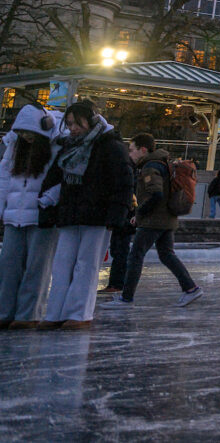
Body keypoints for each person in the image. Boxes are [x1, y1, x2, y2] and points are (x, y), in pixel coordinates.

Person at [42, 101, 134, 328]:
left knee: (86, 265)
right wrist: (48, 207)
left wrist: (116, 216)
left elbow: (123, 183)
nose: (72, 128)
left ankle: (79, 314)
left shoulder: (110, 146)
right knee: (62, 264)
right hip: (70, 214)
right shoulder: (69, 146)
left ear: (90, 120)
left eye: (76, 123)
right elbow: (55, 178)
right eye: (69, 123)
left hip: (97, 216)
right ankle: (55, 313)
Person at [109, 134, 202, 309]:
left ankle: (126, 298)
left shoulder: (150, 167)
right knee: (166, 254)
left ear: (143, 149)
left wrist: (140, 212)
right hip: (166, 219)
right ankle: (190, 288)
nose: (130, 154)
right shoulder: (162, 163)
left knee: (135, 256)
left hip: (154, 221)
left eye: (132, 150)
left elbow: (156, 194)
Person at [0, 105, 62, 329]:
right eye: (21, 131)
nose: (25, 136)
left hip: (42, 217)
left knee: (37, 267)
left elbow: (61, 179)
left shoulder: (55, 149)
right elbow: (4, 178)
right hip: (13, 216)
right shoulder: (14, 148)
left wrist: (48, 199)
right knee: (8, 265)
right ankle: (5, 311)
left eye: (29, 131)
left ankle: (28, 314)